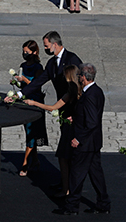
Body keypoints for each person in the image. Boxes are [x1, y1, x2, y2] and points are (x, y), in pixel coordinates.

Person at [10, 31, 82, 193]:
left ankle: (70, 185)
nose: (45, 48)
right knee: (65, 148)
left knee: (69, 149)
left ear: (54, 44)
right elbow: (39, 82)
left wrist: (76, 112)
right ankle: (65, 182)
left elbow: (80, 87)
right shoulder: (51, 64)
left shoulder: (72, 59)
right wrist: (19, 94)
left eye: (46, 45)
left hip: (73, 111)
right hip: (63, 108)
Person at [58, 63, 110, 216]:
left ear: (84, 78)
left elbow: (92, 122)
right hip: (94, 142)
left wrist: (78, 138)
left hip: (85, 144)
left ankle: (72, 206)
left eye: (80, 75)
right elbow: (90, 116)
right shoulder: (97, 91)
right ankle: (103, 203)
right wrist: (76, 118)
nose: (78, 77)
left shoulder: (89, 96)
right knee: (96, 174)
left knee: (76, 174)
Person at [24, 64, 81, 196]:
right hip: (73, 127)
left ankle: (66, 188)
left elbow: (53, 107)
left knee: (63, 157)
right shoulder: (79, 92)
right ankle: (68, 187)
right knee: (69, 159)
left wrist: (34, 103)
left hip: (70, 128)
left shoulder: (71, 93)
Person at [14, 40, 46, 177]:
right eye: (23, 51)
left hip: (35, 101)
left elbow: (36, 84)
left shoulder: (38, 67)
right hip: (25, 101)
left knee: (32, 130)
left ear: (34, 52)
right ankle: (36, 160)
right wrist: (16, 81)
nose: (25, 54)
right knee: (29, 131)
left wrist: (24, 80)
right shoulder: (23, 65)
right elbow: (23, 87)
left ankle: (25, 163)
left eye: (27, 52)